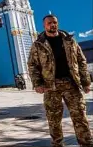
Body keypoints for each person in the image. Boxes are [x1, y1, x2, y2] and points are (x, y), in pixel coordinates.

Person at [27, 14, 92, 147]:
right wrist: (37, 83)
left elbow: (81, 61)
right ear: (44, 26)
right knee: (54, 121)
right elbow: (32, 65)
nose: (53, 25)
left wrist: (85, 82)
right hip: (51, 87)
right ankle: (57, 145)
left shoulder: (69, 41)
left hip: (71, 84)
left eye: (55, 22)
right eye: (49, 23)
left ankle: (86, 144)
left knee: (80, 118)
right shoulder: (38, 45)